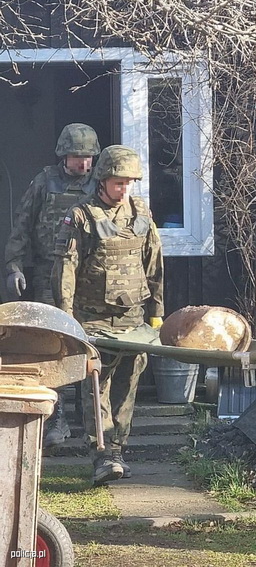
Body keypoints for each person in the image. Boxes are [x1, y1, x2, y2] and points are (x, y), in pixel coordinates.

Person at [51, 144, 164, 485]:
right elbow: (66, 270)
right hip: (93, 320)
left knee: (127, 386)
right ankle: (101, 454)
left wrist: (157, 314)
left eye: (129, 183)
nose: (124, 189)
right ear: (102, 180)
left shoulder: (141, 214)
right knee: (95, 386)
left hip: (133, 320)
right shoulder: (81, 216)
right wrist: (67, 320)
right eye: (118, 183)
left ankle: (117, 449)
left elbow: (154, 264)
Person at [4, 122, 101, 447]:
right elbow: (22, 226)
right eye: (77, 157)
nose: (83, 163)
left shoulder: (101, 184)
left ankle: (91, 421)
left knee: (88, 346)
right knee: (54, 347)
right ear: (63, 155)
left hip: (89, 279)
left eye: (88, 157)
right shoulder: (45, 182)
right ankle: (56, 419)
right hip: (49, 275)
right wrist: (14, 267)